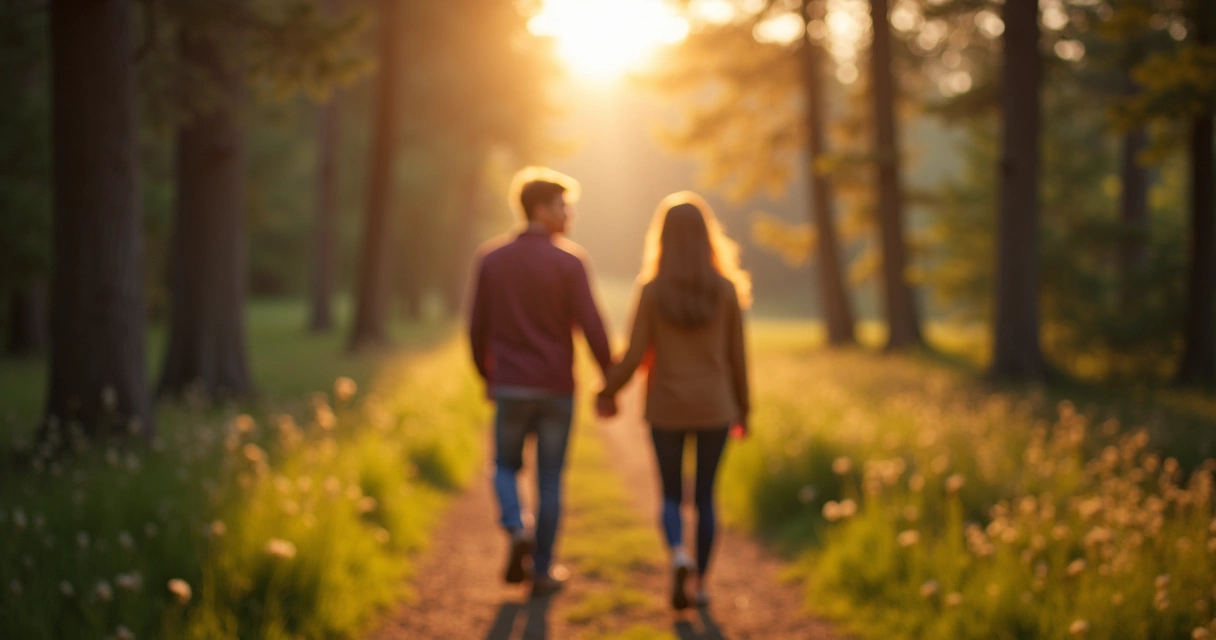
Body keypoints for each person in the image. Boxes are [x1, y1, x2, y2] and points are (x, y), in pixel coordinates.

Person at [597, 191, 751, 611]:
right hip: (716, 407)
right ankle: (700, 585)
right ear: (707, 237)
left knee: (669, 495)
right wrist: (744, 411)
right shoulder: (725, 291)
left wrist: (607, 391)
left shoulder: (651, 290)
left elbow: (632, 355)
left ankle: (678, 556)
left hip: (666, 407)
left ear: (662, 238)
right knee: (705, 498)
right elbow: (739, 359)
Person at [468, 167, 615, 597]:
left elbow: (477, 328)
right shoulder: (570, 262)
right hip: (555, 388)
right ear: (540, 208)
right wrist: (609, 379)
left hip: (511, 384)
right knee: (550, 481)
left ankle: (515, 526)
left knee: (503, 467)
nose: (569, 213)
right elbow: (592, 324)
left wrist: (487, 374)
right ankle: (543, 569)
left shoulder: (491, 259)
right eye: (562, 205)